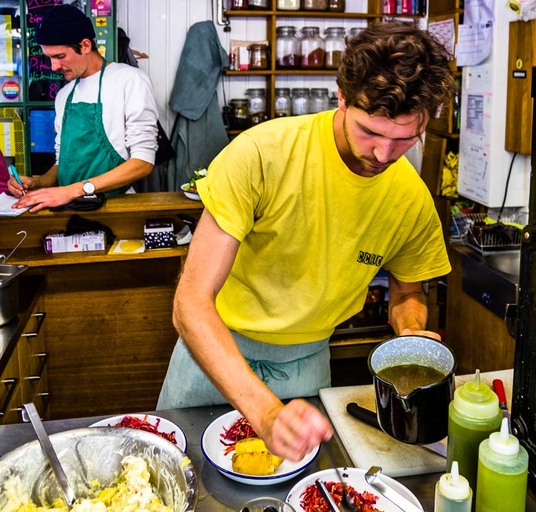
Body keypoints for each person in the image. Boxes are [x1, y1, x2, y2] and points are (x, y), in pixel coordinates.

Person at [157, 20, 456, 462]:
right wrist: (265, 413)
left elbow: (408, 289)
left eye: (403, 139)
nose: (382, 155)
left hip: (308, 364)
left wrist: (410, 332)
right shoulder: (262, 154)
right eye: (370, 132)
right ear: (341, 98)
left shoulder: (409, 196)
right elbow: (190, 304)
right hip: (215, 355)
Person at [7, 4, 158, 212]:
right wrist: (39, 183)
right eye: (49, 58)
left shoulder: (130, 81)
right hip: (68, 208)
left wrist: (75, 190)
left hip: (115, 206)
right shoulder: (64, 95)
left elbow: (143, 162)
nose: (53, 67)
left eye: (60, 57)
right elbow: (63, 163)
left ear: (85, 45)